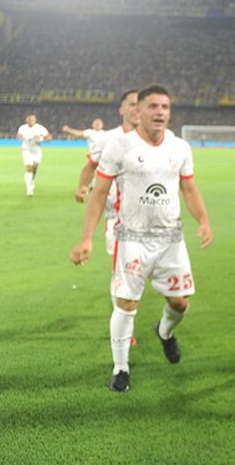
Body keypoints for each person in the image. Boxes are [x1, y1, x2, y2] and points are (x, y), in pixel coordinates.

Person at [69, 86, 213, 393]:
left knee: (180, 303)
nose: (159, 112)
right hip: (131, 237)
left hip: (170, 238)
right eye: (152, 106)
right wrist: (86, 238)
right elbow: (100, 192)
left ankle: (164, 332)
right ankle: (121, 368)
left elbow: (189, 188)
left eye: (165, 107)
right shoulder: (120, 147)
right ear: (139, 112)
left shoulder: (180, 148)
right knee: (126, 303)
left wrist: (203, 219)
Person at [76, 90, 140, 263]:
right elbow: (91, 166)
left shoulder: (155, 140)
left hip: (147, 216)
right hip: (115, 213)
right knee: (124, 266)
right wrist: (82, 186)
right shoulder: (108, 138)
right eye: (133, 104)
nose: (137, 109)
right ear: (122, 109)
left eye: (141, 105)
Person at [16, 114, 51, 196]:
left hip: (37, 150)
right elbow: (18, 136)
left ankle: (31, 180)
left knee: (34, 169)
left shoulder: (40, 128)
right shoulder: (22, 128)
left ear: (35, 120)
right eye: (29, 120)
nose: (31, 121)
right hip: (26, 149)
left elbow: (49, 138)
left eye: (33, 120)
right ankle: (29, 189)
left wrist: (40, 138)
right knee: (29, 167)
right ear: (26, 120)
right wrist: (20, 138)